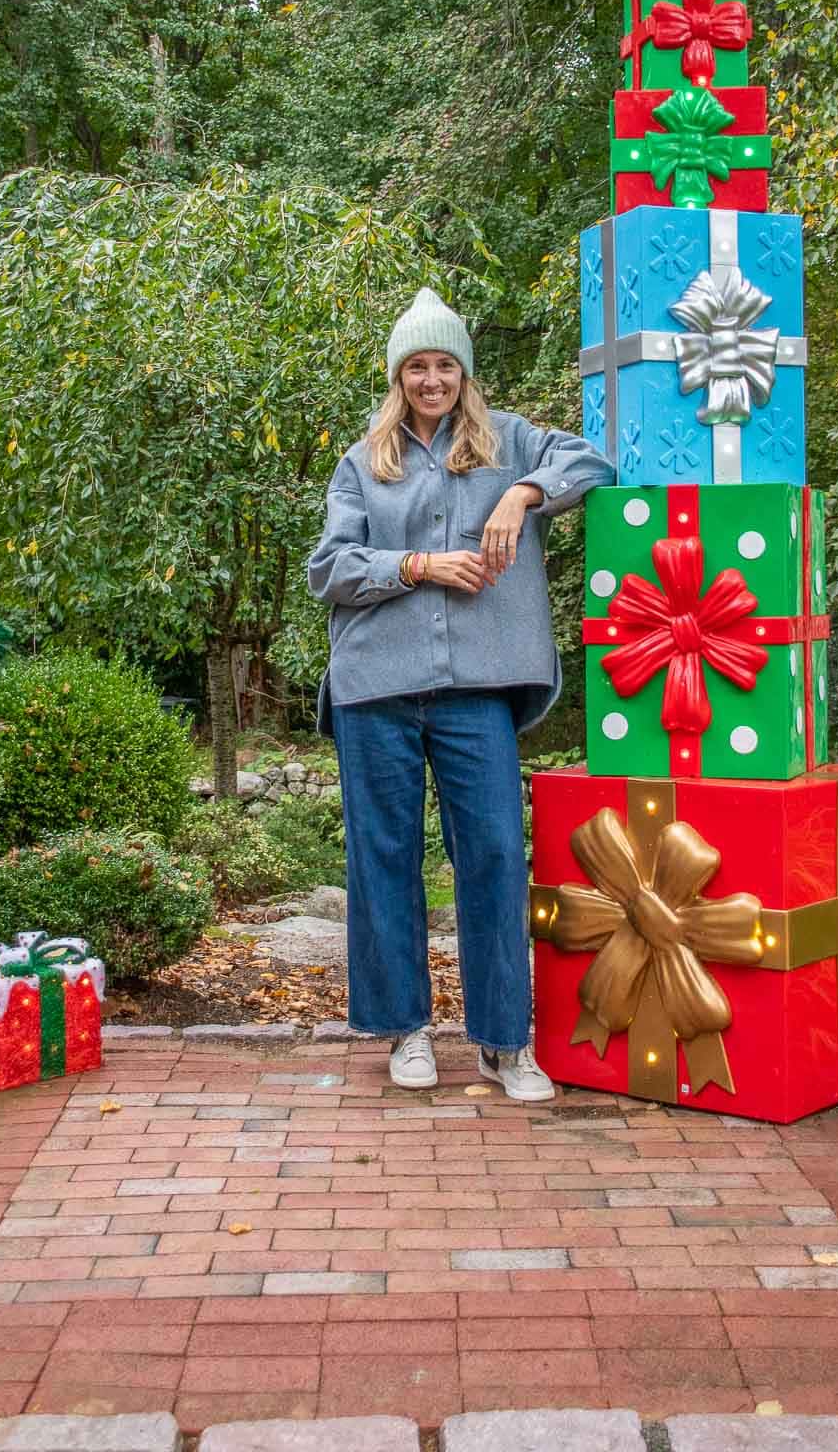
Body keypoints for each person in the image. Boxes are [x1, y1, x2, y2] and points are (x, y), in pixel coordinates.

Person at [308, 287, 614, 1098]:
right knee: (383, 858)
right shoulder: (362, 462)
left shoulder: (512, 442)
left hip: (477, 689)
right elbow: (328, 569)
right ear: (398, 376)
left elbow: (596, 458)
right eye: (417, 366)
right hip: (375, 685)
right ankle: (406, 1031)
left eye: (445, 365)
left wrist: (523, 493)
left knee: (492, 855)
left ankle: (504, 1041)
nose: (432, 379)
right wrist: (415, 565)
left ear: (465, 373)